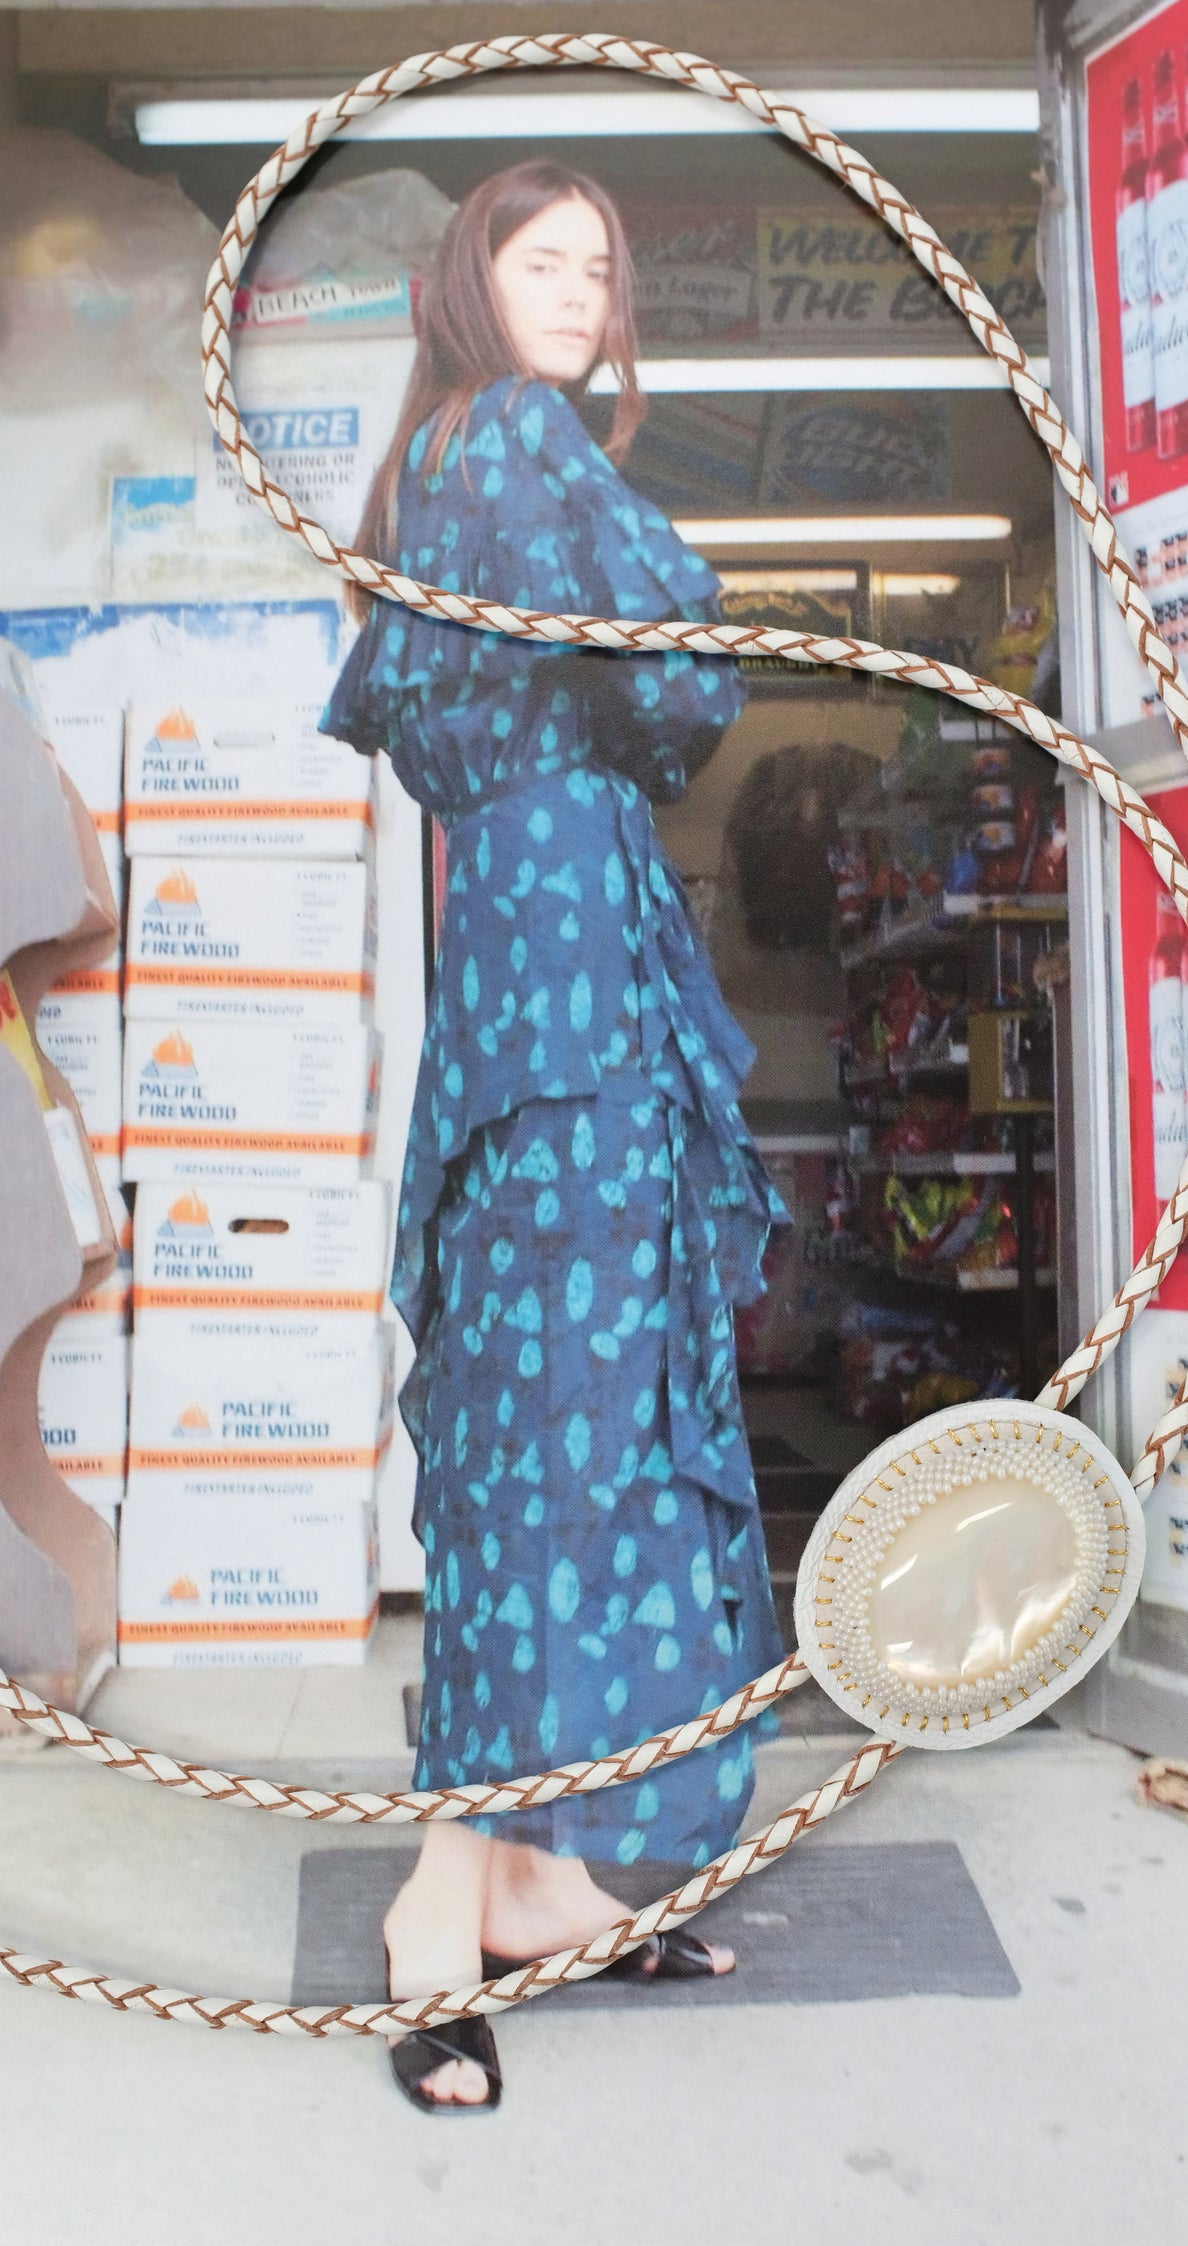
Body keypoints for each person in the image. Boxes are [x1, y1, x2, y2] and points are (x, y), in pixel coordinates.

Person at [321, 161, 789, 2113]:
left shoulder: (441, 461)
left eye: (604, 264)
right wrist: (645, 675)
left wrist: (629, 688)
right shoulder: (514, 438)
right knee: (558, 1431)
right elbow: (684, 679)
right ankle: (444, 1901)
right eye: (547, 259)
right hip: (569, 971)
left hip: (532, 954)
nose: (587, 289)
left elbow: (627, 692)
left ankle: (534, 1874)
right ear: (475, 282)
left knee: (550, 1416)